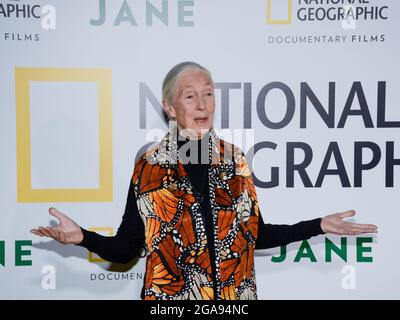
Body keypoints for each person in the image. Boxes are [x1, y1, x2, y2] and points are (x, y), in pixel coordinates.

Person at [30, 61, 378, 300]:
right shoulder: (148, 167)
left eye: (208, 93)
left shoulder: (234, 159)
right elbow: (126, 250)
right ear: (170, 107)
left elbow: (255, 234)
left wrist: (317, 225)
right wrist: (82, 238)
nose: (202, 103)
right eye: (190, 95)